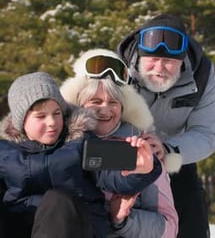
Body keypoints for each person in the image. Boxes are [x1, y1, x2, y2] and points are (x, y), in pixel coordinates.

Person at [0, 72, 162, 238]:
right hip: (18, 228)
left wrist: (141, 168)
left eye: (57, 113)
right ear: (21, 121)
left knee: (58, 200)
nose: (51, 122)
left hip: (72, 227)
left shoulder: (82, 142)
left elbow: (114, 177)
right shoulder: (2, 152)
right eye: (41, 116)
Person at [117, 14, 215, 238]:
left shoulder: (201, 74)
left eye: (169, 61)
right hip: (120, 158)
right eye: (152, 59)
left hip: (173, 157)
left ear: (182, 61)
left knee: (191, 214)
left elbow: (207, 133)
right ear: (139, 57)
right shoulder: (116, 70)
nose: (160, 67)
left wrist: (167, 150)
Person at [60, 48, 181, 238]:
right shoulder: (58, 144)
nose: (105, 110)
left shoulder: (140, 148)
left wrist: (122, 220)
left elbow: (169, 227)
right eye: (95, 101)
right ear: (78, 104)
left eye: (113, 102)